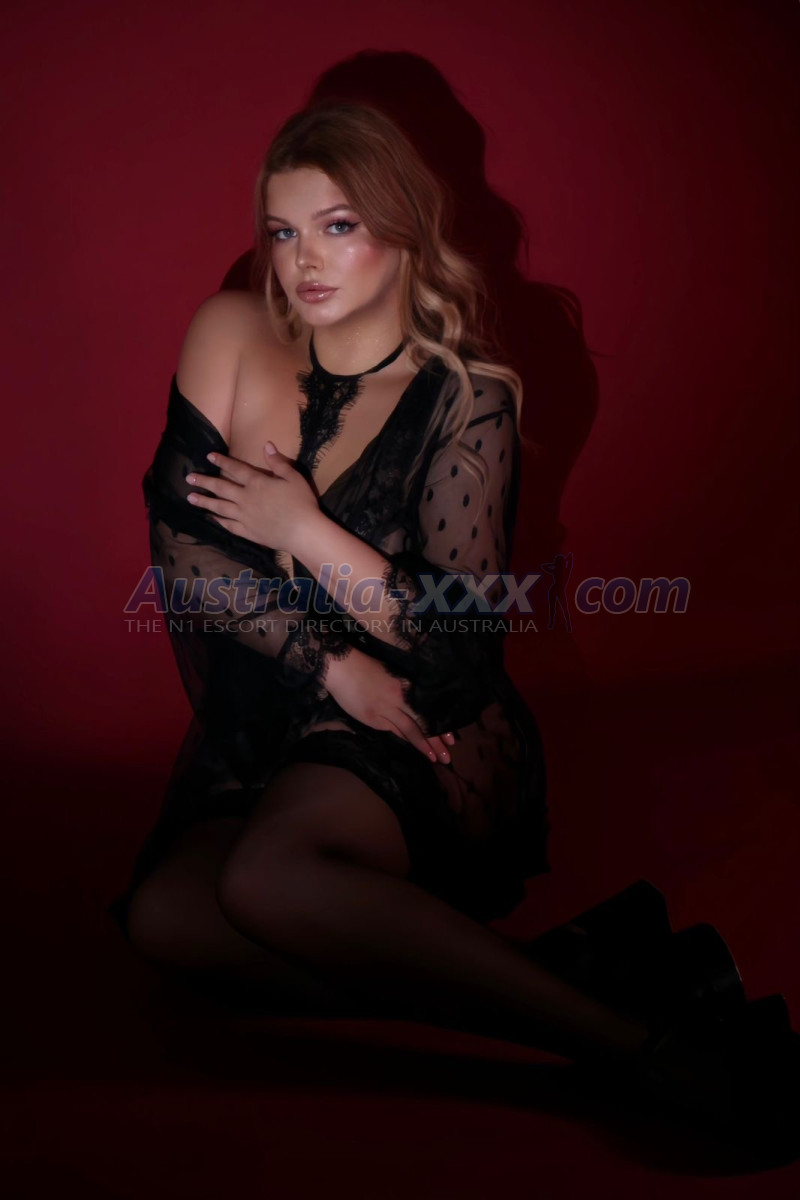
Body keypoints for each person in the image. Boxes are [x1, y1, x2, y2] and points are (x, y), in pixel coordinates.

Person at [109, 101, 797, 1154]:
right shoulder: (230, 332)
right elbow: (184, 555)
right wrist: (329, 668)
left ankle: (637, 1046)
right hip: (290, 707)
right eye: (284, 231)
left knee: (262, 883)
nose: (303, 261)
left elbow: (455, 639)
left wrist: (301, 528)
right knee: (166, 921)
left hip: (425, 724)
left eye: (338, 225)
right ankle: (566, 967)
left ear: (402, 227)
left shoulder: (469, 399)